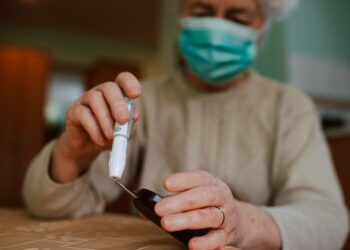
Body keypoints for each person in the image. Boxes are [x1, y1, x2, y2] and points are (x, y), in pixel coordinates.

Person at [23, 0, 349, 249]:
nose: (217, 28)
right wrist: (70, 154)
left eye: (237, 17)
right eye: (203, 11)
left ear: (262, 28)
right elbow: (45, 207)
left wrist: (245, 224)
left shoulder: (290, 107)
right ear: (180, 17)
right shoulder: (138, 102)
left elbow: (331, 223)